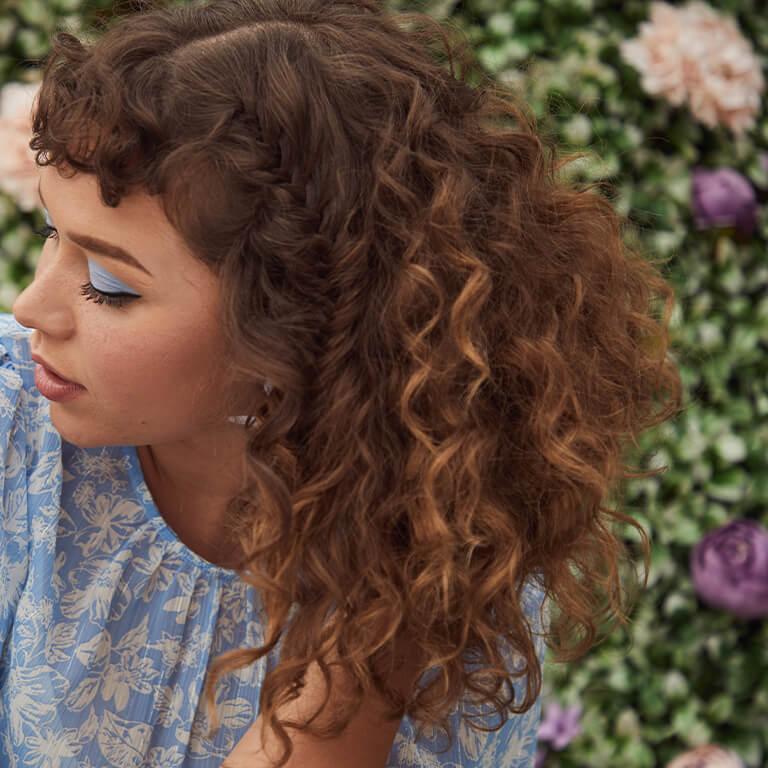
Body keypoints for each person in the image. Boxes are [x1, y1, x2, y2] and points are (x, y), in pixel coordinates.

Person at [0, 0, 684, 766]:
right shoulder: (10, 429)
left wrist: (373, 628)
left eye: (105, 283)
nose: (30, 308)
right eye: (50, 234)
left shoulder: (448, 537)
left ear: (300, 332)